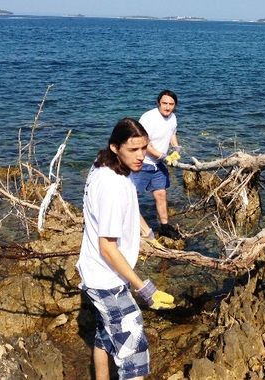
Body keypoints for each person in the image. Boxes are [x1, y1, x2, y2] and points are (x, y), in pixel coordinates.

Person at [77, 118, 175, 379]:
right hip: (106, 278)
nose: (141, 156)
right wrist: (144, 288)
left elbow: (128, 209)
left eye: (144, 148)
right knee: (134, 351)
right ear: (115, 147)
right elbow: (108, 248)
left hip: (95, 271)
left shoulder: (102, 166)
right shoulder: (113, 186)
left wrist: (147, 232)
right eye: (133, 149)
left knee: (105, 336)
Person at [131, 89, 182, 240]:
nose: (167, 107)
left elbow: (172, 133)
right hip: (142, 163)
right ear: (158, 103)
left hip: (158, 164)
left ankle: (164, 226)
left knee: (161, 194)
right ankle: (130, 227)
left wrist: (176, 147)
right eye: (164, 103)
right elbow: (144, 144)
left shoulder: (172, 117)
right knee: (131, 196)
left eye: (171, 104)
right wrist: (162, 156)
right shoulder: (148, 118)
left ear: (175, 105)